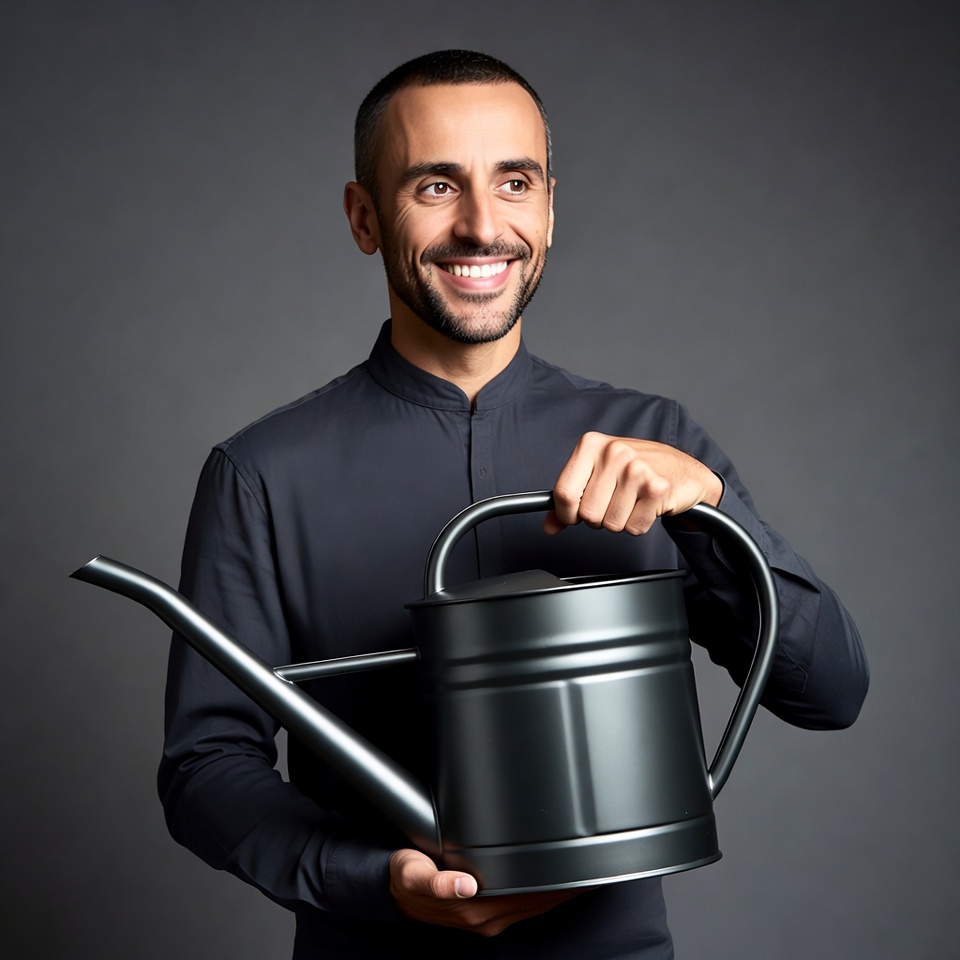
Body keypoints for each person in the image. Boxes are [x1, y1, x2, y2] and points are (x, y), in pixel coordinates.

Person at [159, 50, 868, 959]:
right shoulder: (261, 472)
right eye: (435, 187)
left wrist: (714, 511)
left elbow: (833, 693)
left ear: (550, 206)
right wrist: (373, 880)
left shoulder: (654, 440)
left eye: (515, 182)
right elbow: (206, 768)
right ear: (365, 218)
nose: (482, 226)